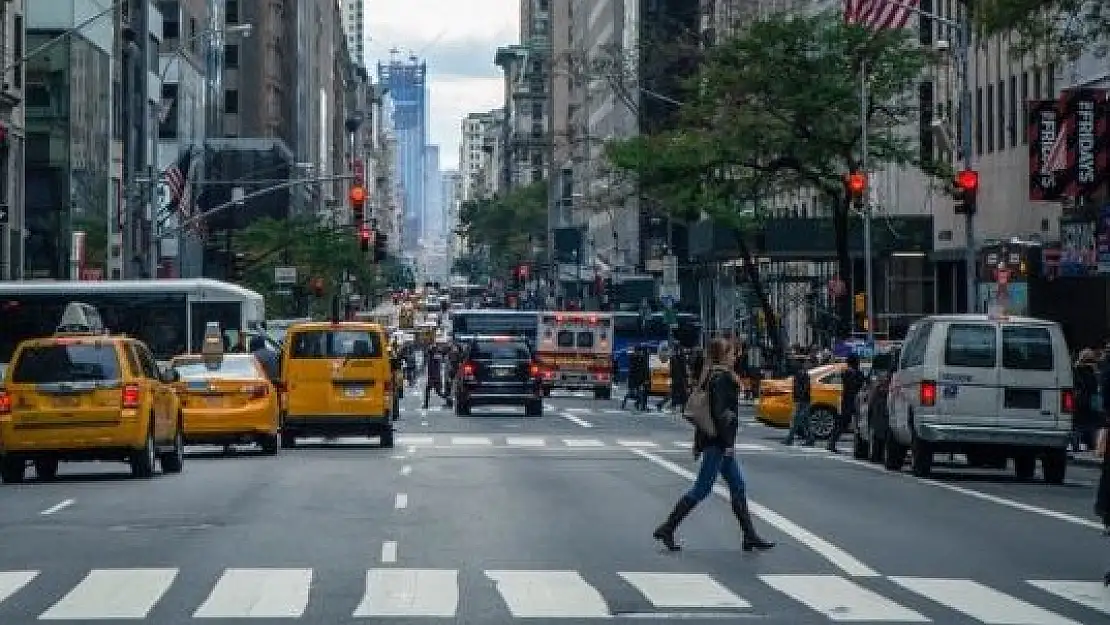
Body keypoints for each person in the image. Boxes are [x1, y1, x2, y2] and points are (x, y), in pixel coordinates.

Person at [652, 338, 775, 552]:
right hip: (718, 442)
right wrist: (727, 442)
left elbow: (708, 413)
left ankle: (749, 535)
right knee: (702, 488)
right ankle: (668, 528)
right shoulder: (723, 378)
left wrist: (702, 442)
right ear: (722, 356)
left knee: (738, 485)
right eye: (730, 353)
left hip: (715, 440)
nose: (734, 357)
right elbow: (721, 413)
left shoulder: (710, 375)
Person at [827, 354, 866, 453]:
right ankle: (832, 443)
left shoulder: (846, 373)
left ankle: (832, 442)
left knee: (843, 423)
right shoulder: (855, 374)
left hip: (847, 400)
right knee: (849, 423)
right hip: (853, 400)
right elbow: (858, 385)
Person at [783, 358, 815, 446]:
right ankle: (810, 439)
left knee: (797, 419)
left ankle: (790, 438)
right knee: (805, 420)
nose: (809, 365)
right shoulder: (801, 374)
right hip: (802, 400)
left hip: (801, 400)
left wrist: (800, 397)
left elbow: (802, 388)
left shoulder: (802, 375)